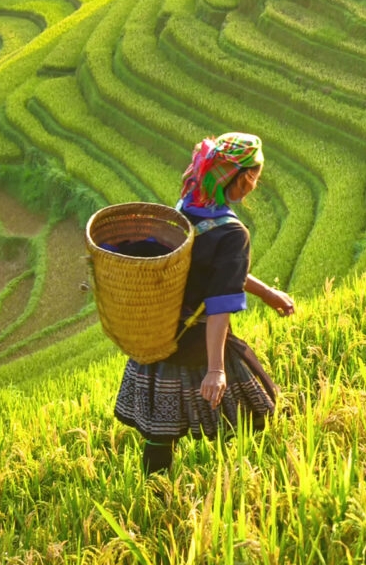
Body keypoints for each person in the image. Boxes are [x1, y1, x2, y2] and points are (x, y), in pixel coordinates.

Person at [113, 132, 297, 474]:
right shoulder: (232, 234)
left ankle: (155, 495)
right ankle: (252, 475)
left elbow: (217, 271)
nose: (256, 184)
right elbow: (219, 303)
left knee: (159, 428)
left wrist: (268, 294)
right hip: (197, 339)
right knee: (258, 408)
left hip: (159, 331)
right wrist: (216, 369)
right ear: (242, 179)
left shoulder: (186, 208)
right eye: (255, 176)